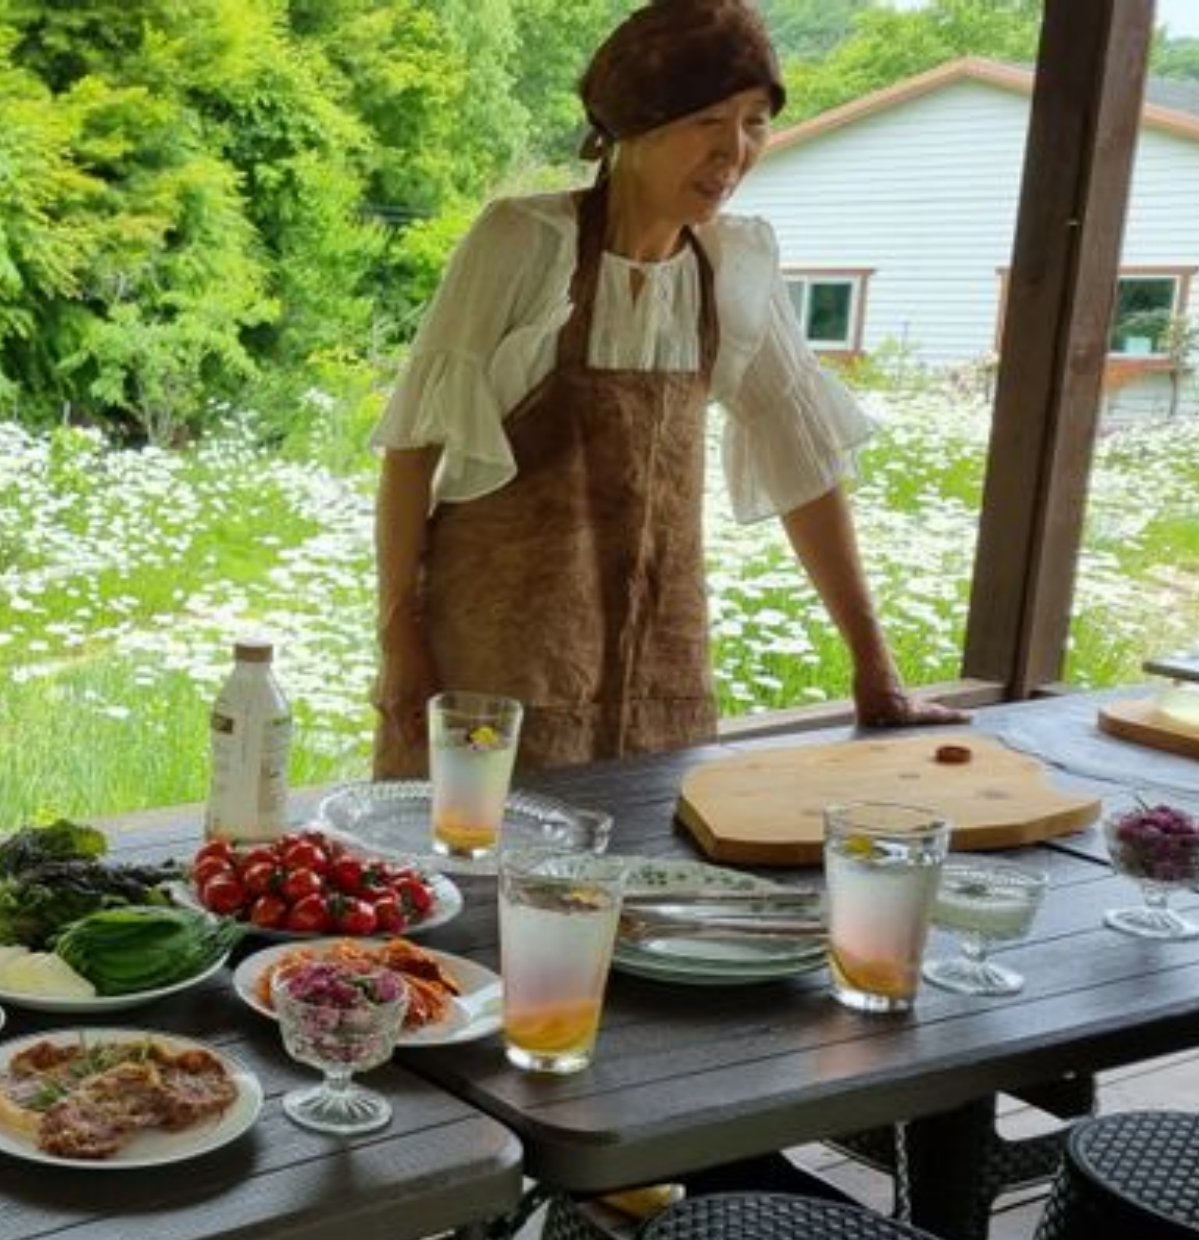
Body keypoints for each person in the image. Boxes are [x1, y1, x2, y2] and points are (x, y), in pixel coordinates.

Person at [371, 0, 964, 781]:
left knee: (645, 879)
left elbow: (806, 468)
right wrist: (400, 645)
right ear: (631, 129)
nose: (734, 151)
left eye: (755, 121)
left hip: (660, 668)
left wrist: (876, 671)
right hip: (493, 667)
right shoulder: (525, 243)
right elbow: (412, 453)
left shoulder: (734, 268)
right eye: (706, 121)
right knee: (471, 873)